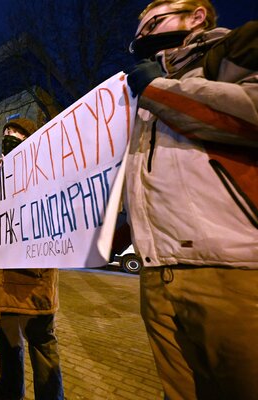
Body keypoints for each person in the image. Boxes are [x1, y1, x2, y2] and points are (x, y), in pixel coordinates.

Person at [125, 1, 258, 398]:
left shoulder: (237, 50)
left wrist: (159, 90)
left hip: (230, 270)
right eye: (141, 30)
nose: (145, 34)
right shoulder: (145, 95)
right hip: (158, 277)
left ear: (196, 16)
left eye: (156, 22)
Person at [0, 118, 64, 400]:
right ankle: (10, 388)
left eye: (16, 133)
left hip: (34, 272)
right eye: (5, 133)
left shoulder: (48, 171)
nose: (9, 136)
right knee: (7, 333)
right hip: (5, 272)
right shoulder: (1, 176)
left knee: (40, 338)